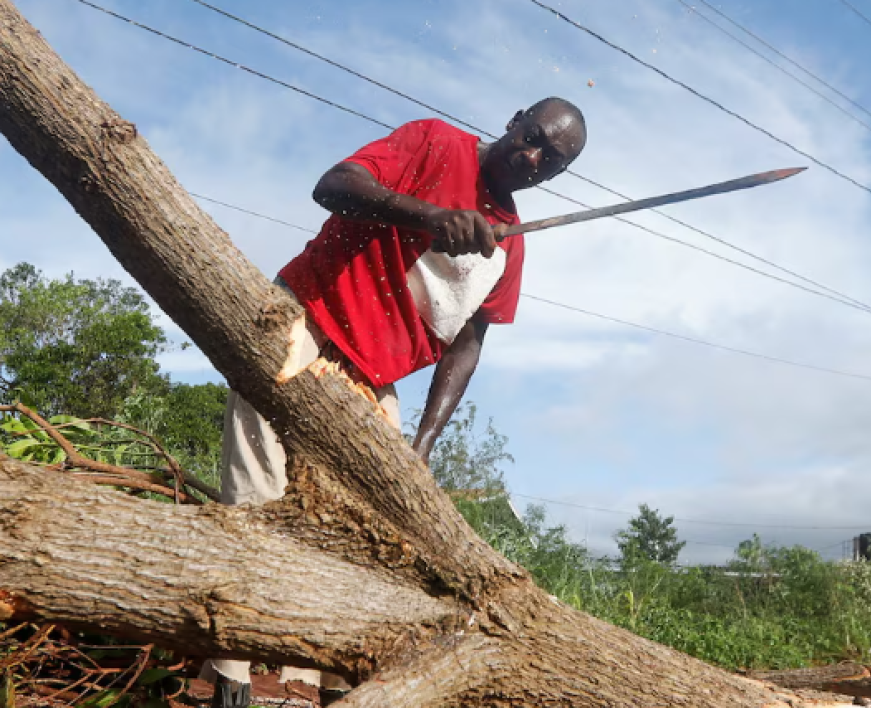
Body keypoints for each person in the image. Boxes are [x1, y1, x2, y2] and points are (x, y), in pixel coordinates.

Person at [200, 97, 587, 708]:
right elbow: (332, 186)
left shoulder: (509, 245)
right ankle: (230, 679)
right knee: (256, 495)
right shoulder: (435, 142)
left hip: (372, 375)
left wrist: (424, 444)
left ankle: (336, 688)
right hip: (307, 319)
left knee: (369, 536)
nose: (533, 158)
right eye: (533, 137)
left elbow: (466, 344)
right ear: (513, 120)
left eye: (551, 161)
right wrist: (431, 215)